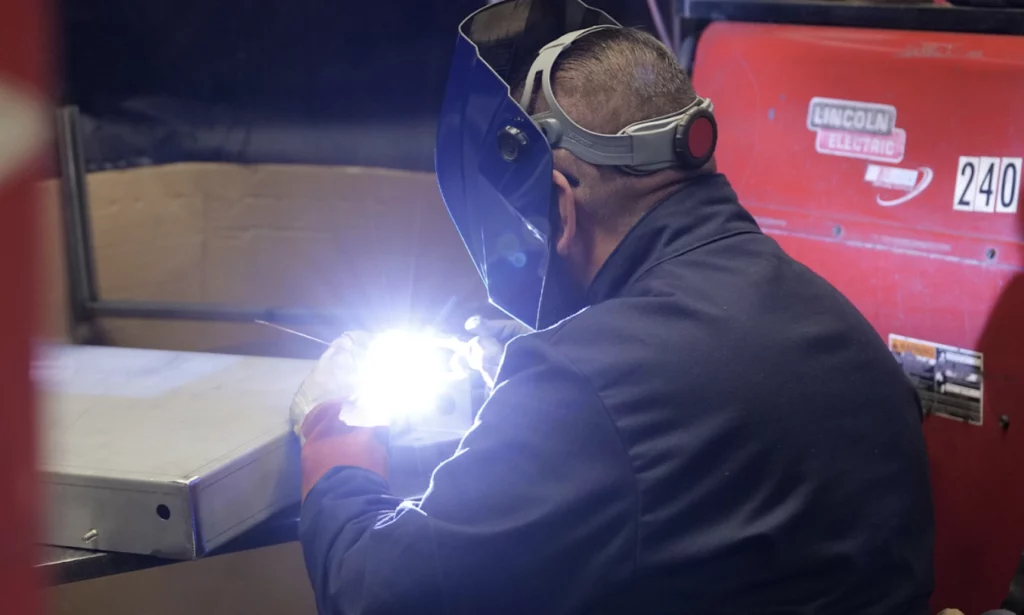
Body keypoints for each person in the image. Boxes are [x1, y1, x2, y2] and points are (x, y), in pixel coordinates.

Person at [291, 1, 935, 613]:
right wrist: (530, 377)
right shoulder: (841, 327)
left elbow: (375, 593)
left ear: (557, 204)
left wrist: (334, 435)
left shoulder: (586, 382)